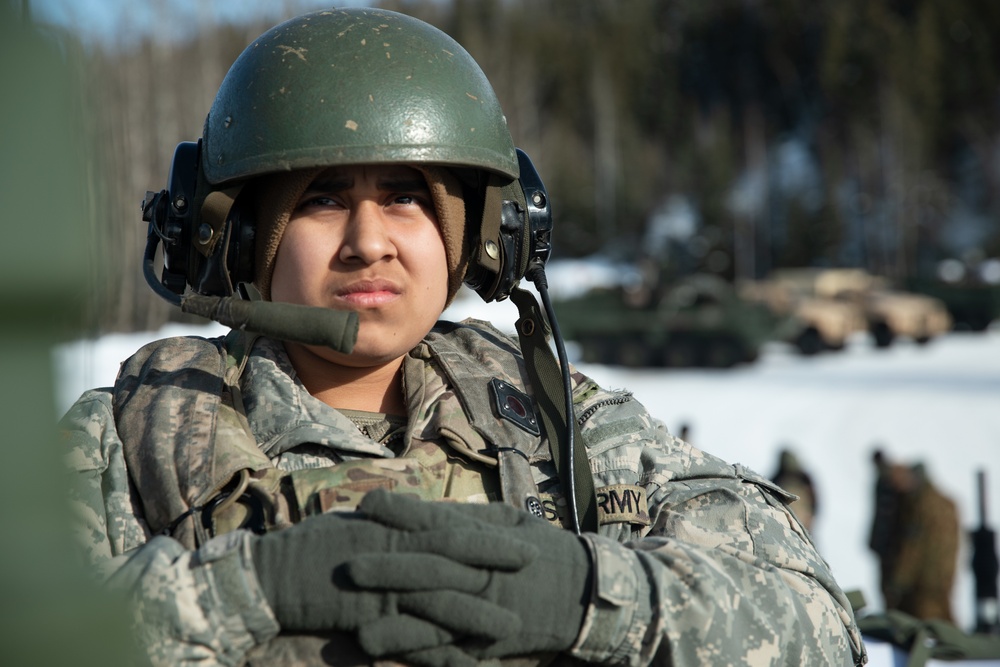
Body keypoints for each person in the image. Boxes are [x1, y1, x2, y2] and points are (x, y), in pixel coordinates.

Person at [60, 8, 866, 667]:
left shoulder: (559, 426)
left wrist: (593, 597)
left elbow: (821, 628)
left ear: (480, 237)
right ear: (240, 238)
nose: (368, 241)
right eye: (324, 198)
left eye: (407, 197)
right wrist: (247, 592)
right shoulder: (128, 444)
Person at [869, 449, 960, 623]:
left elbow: (914, 547)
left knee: (930, 627)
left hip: (925, 585)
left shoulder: (923, 505)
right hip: (935, 582)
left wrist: (899, 581)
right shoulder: (941, 502)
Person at [770, 447, 818, 534]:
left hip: (803, 521)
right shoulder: (777, 479)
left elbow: (814, 502)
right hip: (783, 522)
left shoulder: (804, 479)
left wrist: (811, 518)